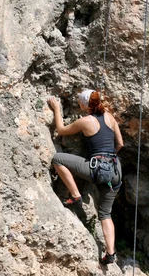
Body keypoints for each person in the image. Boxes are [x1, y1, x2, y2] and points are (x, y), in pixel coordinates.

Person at [47, 89, 124, 265]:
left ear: (84, 105)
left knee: (58, 159)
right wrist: (108, 156)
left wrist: (57, 109)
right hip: (115, 172)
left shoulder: (84, 122)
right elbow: (120, 143)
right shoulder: (110, 117)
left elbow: (61, 130)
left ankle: (75, 195)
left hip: (97, 169)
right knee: (106, 214)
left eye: (80, 101)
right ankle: (110, 253)